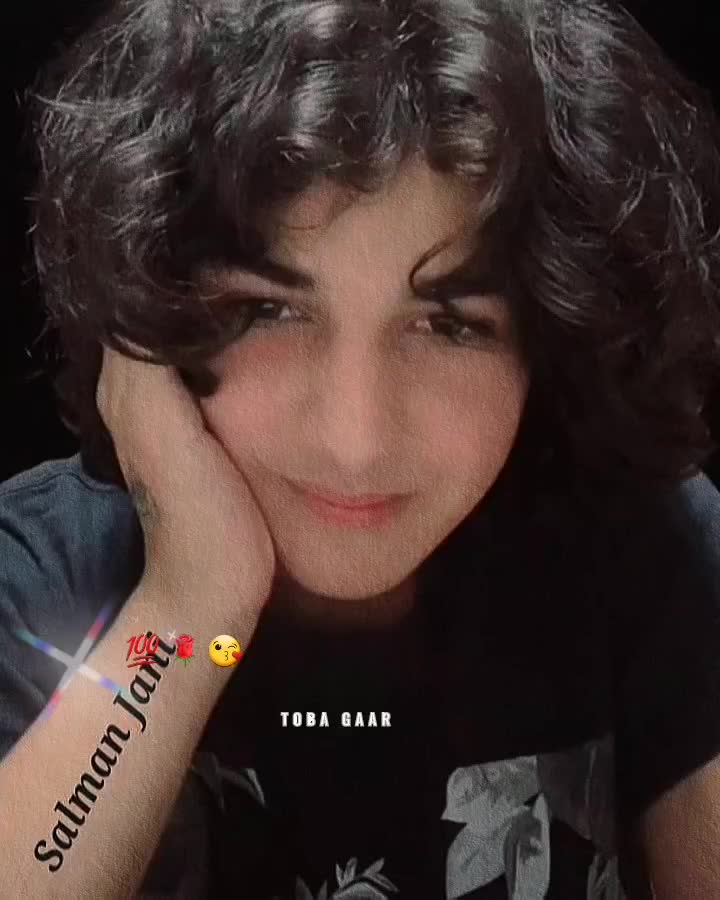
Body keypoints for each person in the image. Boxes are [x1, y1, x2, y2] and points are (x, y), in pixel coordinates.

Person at [1, 0, 720, 897]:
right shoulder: (39, 571)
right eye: (268, 310)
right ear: (148, 314)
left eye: (448, 325)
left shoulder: (646, 546)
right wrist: (187, 618)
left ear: (550, 330)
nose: (356, 440)